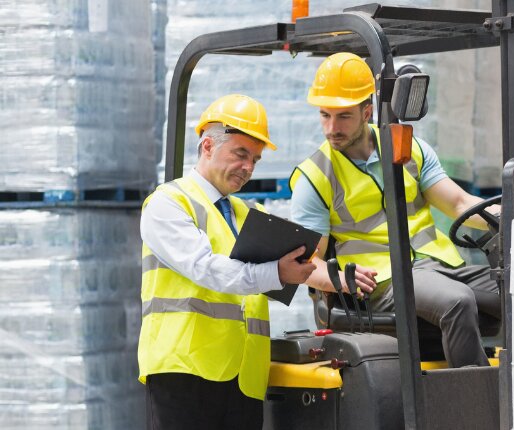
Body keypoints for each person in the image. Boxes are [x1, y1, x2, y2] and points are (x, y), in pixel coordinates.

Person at [137, 94, 364, 429]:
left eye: (255, 160)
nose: (248, 167)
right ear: (209, 146)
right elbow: (206, 268)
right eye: (240, 154)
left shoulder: (250, 214)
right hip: (185, 370)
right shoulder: (169, 203)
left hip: (245, 377)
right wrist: (275, 272)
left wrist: (341, 279)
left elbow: (300, 264)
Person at [290, 52, 501, 368]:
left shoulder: (410, 148)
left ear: (367, 111)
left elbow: (458, 203)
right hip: (383, 280)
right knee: (456, 302)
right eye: (324, 116)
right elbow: (307, 261)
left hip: (439, 264)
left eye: (343, 116)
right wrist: (340, 282)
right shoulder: (316, 176)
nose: (331, 128)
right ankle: (474, 412)